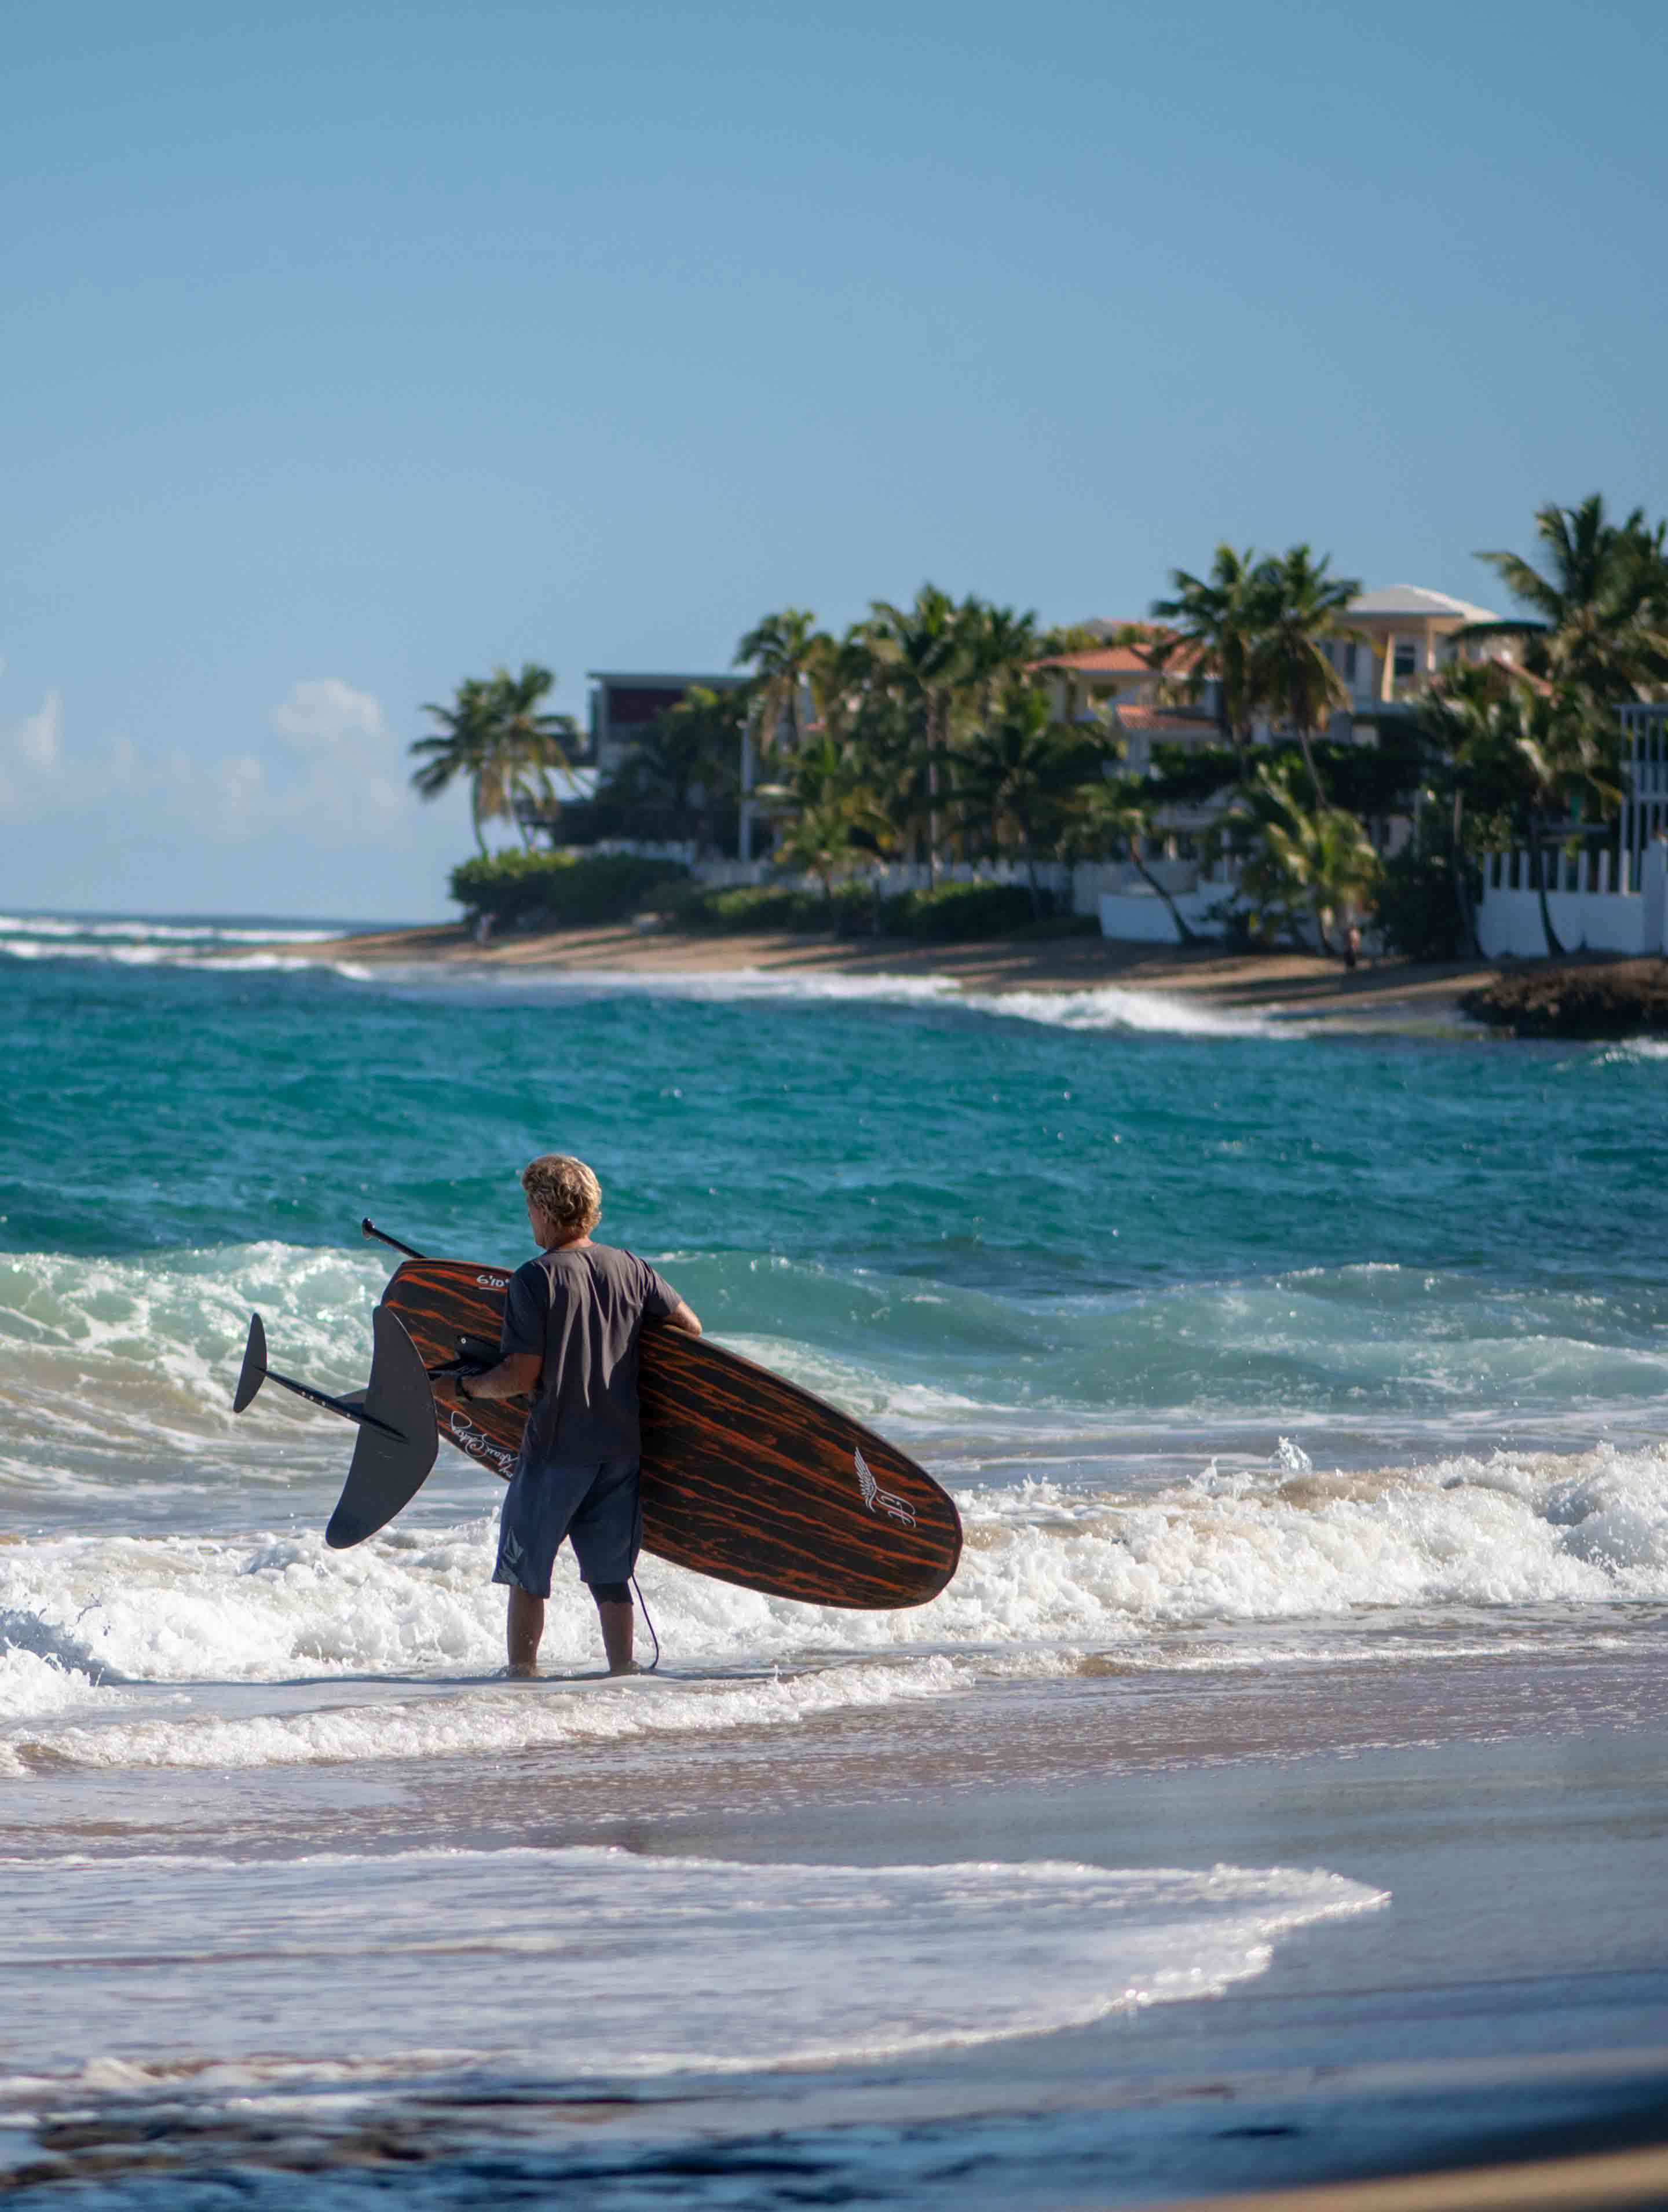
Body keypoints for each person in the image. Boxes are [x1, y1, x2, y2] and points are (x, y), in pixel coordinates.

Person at [444, 1153, 700, 1677]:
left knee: (526, 1571)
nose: (528, 1220)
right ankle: (622, 1674)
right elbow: (690, 1328)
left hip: (556, 1452)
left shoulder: (534, 1280)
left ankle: (522, 1677)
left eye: (528, 1208)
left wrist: (465, 1389)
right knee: (611, 1578)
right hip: (620, 1452)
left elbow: (519, 1377)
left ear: (544, 1208)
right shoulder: (631, 1267)